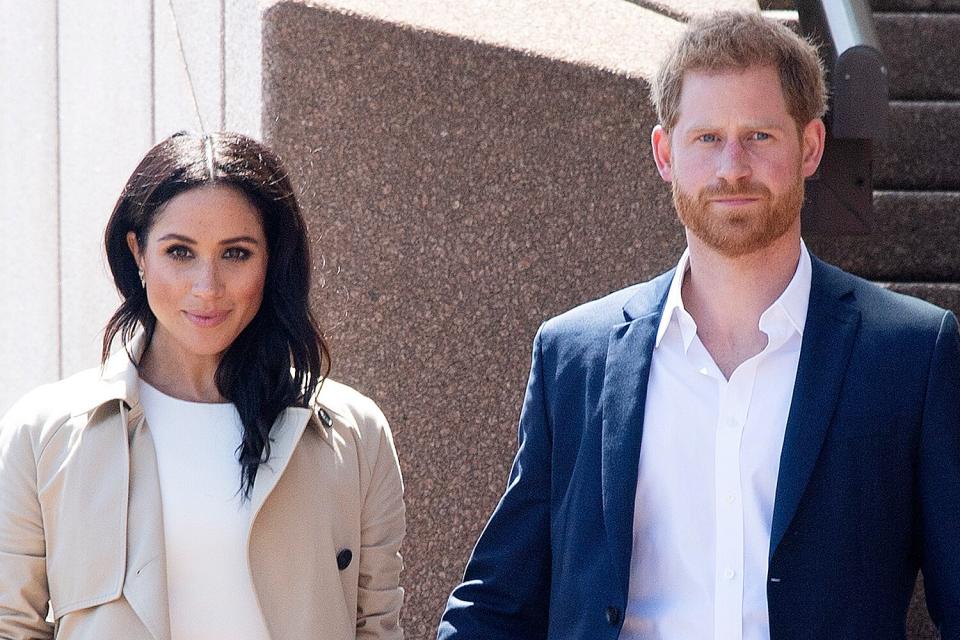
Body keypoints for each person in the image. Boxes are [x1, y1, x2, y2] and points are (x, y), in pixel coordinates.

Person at [438, 10, 960, 640]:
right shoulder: (575, 356)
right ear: (666, 152)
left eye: (760, 137)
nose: (732, 167)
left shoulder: (911, 354)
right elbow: (497, 603)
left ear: (812, 147)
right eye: (707, 137)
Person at [0, 132, 405, 639]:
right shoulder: (44, 433)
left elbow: (377, 626)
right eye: (180, 252)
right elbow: (12, 626)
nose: (207, 286)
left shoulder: (355, 433)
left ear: (271, 260)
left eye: (235, 253)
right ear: (138, 253)